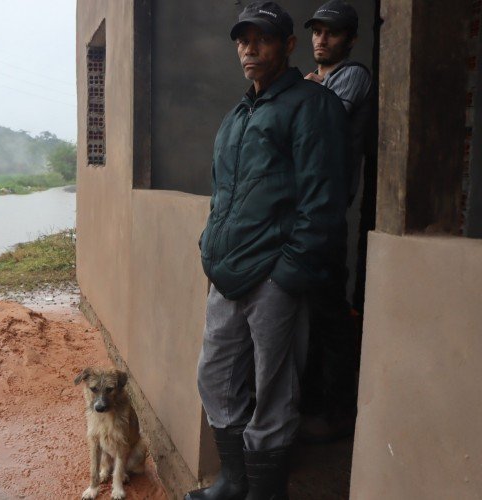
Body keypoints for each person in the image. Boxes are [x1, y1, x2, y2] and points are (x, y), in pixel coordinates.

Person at [185, 2, 349, 499]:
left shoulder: (312, 105)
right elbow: (224, 193)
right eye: (242, 39)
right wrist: (209, 249)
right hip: (227, 274)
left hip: (274, 277)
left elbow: (324, 201)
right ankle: (235, 480)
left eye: (261, 39)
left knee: (274, 393)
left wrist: (287, 273)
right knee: (214, 377)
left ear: (288, 46)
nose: (248, 49)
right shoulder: (238, 114)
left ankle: (264, 491)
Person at [298, 0, 373, 444]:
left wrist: (307, 92)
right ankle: (311, 404)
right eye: (317, 32)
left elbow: (320, 119)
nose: (321, 40)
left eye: (332, 33)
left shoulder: (354, 75)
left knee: (330, 315)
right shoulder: (317, 83)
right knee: (310, 314)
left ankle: (338, 412)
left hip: (328, 212)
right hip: (305, 211)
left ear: (350, 39)